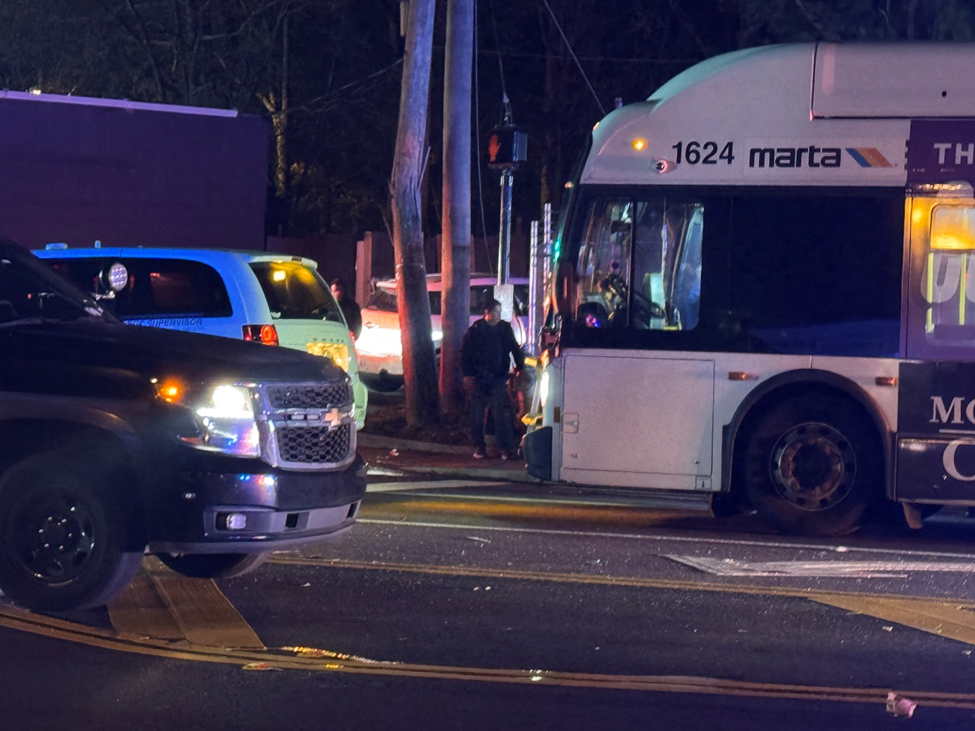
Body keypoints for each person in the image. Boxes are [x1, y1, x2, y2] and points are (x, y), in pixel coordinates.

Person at [461, 297, 525, 460]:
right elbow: (465, 355)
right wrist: (468, 375)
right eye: (496, 311)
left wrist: (519, 367)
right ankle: (480, 447)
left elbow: (514, 348)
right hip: (479, 378)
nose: (499, 315)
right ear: (487, 313)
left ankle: (504, 448)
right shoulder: (475, 331)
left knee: (500, 415)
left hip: (497, 377)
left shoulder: (504, 329)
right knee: (477, 415)